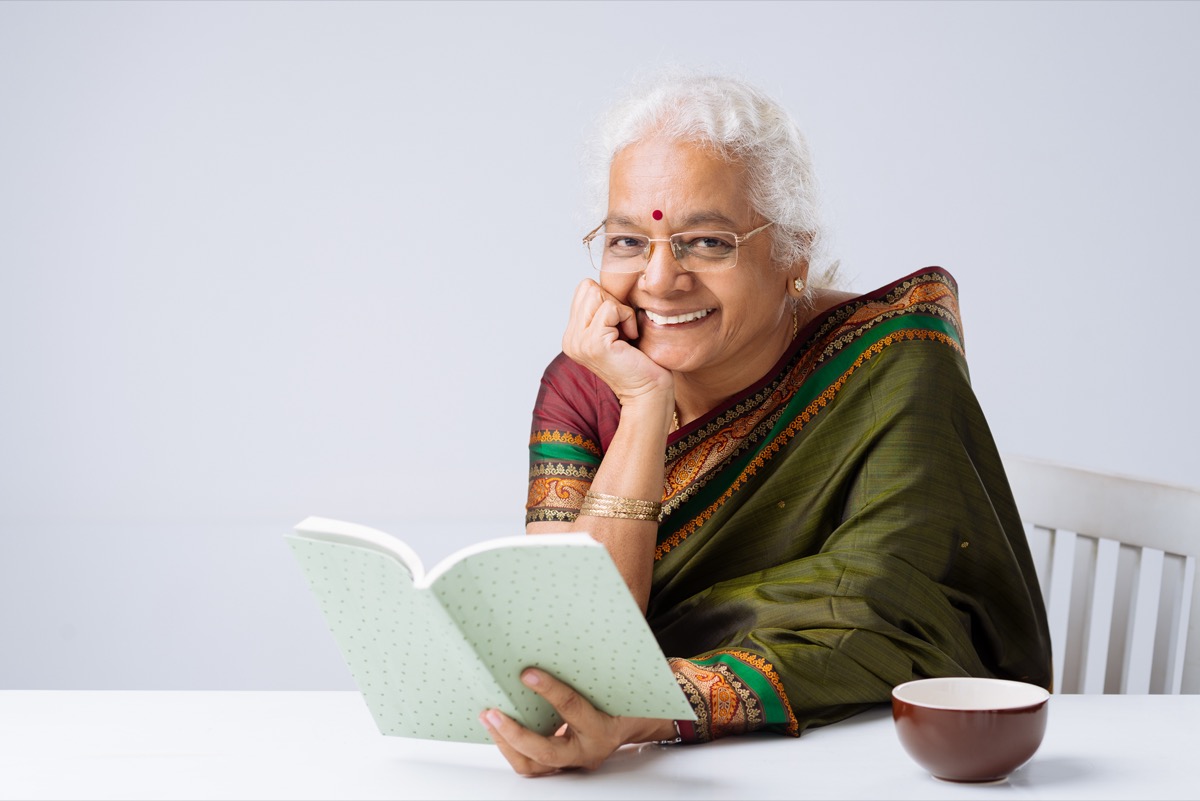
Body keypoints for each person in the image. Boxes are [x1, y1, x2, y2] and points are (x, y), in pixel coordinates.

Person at [479, 71, 1052, 776]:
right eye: (629, 240)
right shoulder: (585, 382)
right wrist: (645, 404)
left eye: (707, 242)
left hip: (852, 763)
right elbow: (565, 640)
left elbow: (892, 611)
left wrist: (665, 700)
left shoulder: (889, 364)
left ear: (793, 255)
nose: (660, 278)